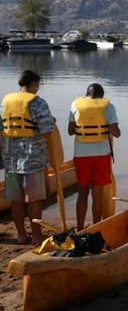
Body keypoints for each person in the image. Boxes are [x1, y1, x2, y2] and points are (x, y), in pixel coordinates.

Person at [0, 70, 55, 245]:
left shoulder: (5, 102)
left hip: (10, 159)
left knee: (16, 199)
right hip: (33, 158)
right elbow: (46, 132)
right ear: (34, 84)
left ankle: (21, 235)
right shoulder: (38, 103)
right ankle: (37, 236)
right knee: (34, 200)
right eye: (38, 85)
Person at [68, 83, 121, 230]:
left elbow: (71, 131)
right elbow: (116, 132)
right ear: (102, 96)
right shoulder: (108, 106)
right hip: (101, 155)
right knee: (97, 193)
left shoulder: (75, 104)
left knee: (82, 191)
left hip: (81, 155)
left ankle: (79, 229)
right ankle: (95, 228)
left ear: (87, 94)